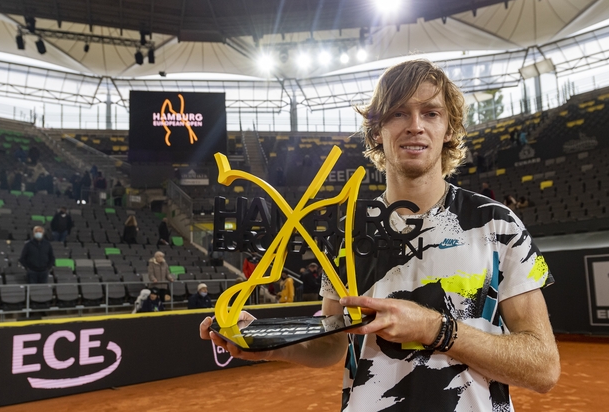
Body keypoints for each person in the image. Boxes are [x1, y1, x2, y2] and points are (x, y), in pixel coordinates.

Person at [200, 59, 559, 411]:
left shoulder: (497, 223)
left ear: (449, 129)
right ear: (376, 131)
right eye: (398, 113)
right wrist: (269, 342)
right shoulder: (348, 230)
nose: (415, 125)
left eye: (431, 113)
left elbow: (543, 367)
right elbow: (333, 344)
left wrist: (435, 328)